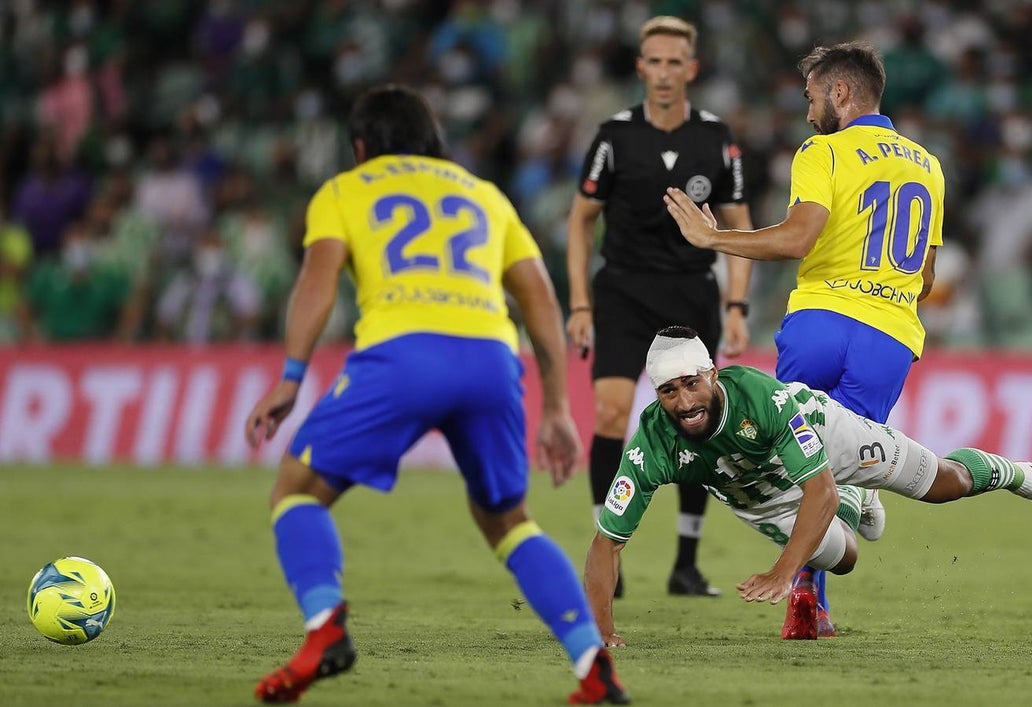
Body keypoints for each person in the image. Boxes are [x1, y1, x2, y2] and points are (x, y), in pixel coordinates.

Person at [244, 85, 628, 706]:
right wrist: (556, 406)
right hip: (489, 358)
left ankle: (325, 628)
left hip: (403, 355)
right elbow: (539, 299)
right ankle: (593, 665)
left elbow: (317, 282)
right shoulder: (485, 196)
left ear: (361, 146)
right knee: (508, 521)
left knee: (296, 490)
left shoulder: (346, 190)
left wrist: (291, 374)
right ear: (433, 140)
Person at [664, 41, 945, 636]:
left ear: (840, 93)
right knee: (842, 464)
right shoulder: (927, 164)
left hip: (821, 321)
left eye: (813, 94)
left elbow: (798, 238)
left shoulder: (824, 151)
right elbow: (925, 276)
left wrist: (714, 241)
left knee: (797, 462)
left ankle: (806, 601)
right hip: (889, 332)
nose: (809, 107)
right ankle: (853, 515)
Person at [584, 328, 1032, 646]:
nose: (684, 402)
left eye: (691, 384)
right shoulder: (649, 445)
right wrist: (602, 634)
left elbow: (819, 492)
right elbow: (608, 543)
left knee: (945, 484)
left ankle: (1025, 476)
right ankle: (858, 496)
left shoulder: (761, 399)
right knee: (847, 557)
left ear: (713, 375)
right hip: (760, 496)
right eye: (669, 392)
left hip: (824, 436)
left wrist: (784, 571)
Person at [566, 15, 754, 598]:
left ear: (691, 70)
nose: (665, 72)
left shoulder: (717, 138)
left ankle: (686, 563)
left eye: (677, 62)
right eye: (656, 61)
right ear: (641, 67)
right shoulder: (614, 136)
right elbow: (580, 222)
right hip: (622, 290)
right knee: (611, 415)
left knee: (696, 420)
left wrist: (737, 305)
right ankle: (608, 554)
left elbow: (740, 226)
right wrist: (578, 302)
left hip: (690, 290)